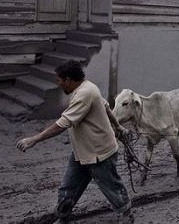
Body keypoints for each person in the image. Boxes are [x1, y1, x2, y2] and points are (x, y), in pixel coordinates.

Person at [16, 60, 134, 223]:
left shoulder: (86, 93)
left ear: (68, 80)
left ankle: (127, 214)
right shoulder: (87, 87)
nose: (58, 85)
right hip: (82, 151)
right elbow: (106, 108)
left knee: (111, 186)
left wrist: (34, 139)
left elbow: (62, 124)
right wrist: (118, 127)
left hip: (100, 152)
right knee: (69, 186)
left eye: (59, 81)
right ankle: (63, 217)